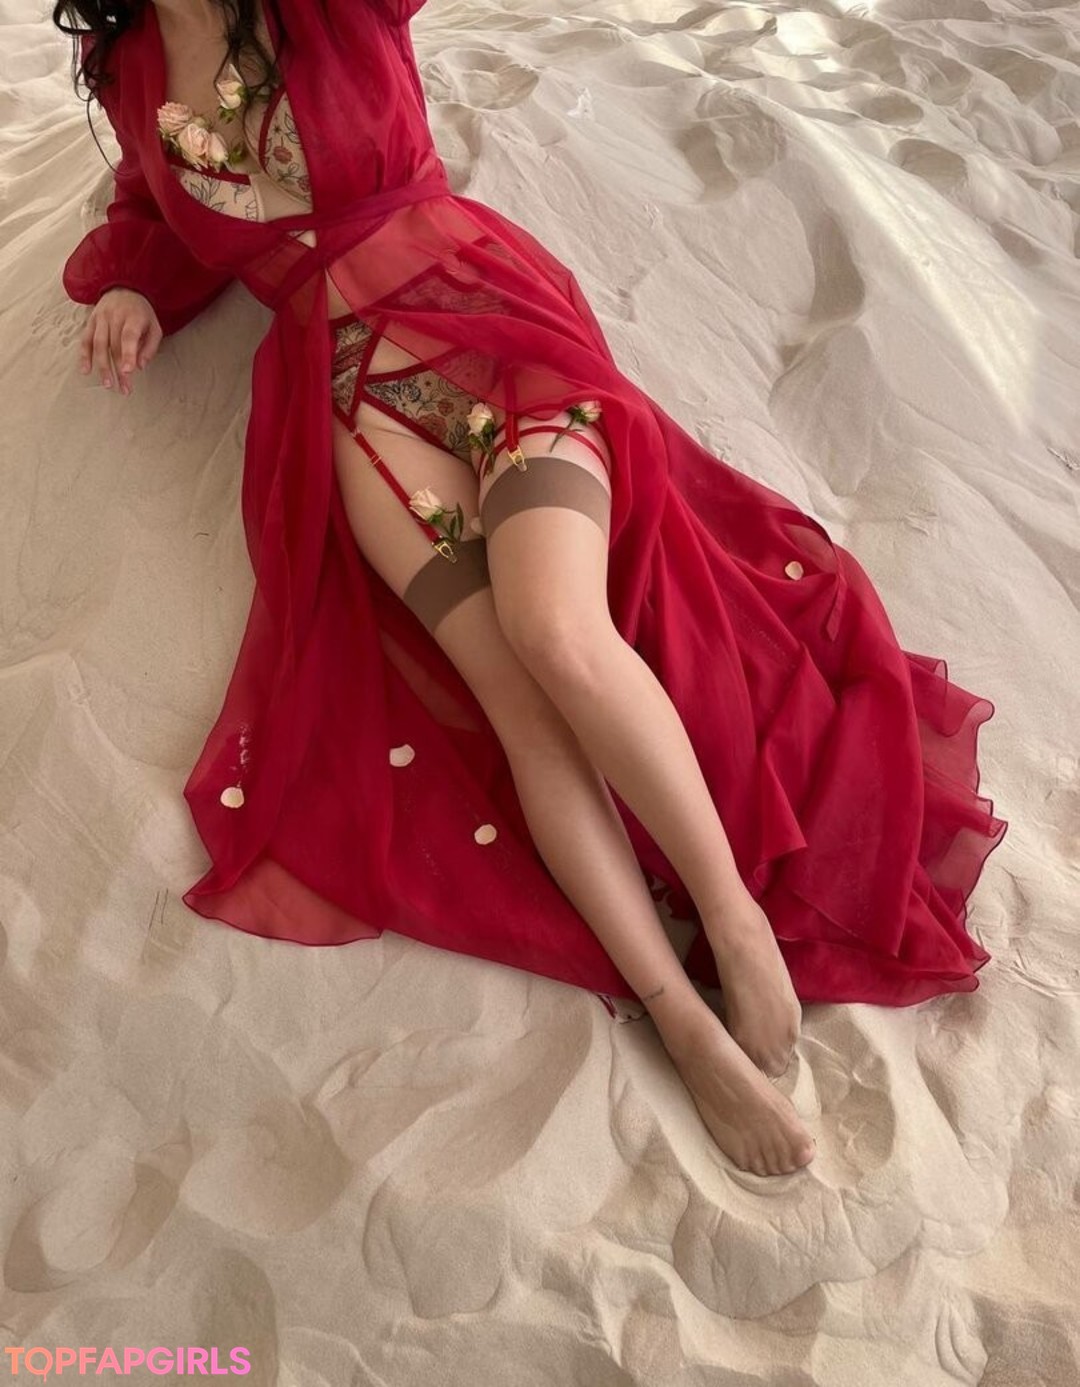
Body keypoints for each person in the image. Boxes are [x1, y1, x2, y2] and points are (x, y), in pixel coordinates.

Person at [56, 0, 1008, 1178]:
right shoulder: (130, 59)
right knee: (514, 694)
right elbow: (151, 204)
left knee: (556, 627)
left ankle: (733, 919)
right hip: (345, 397)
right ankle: (679, 1019)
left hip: (483, 319)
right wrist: (134, 290)